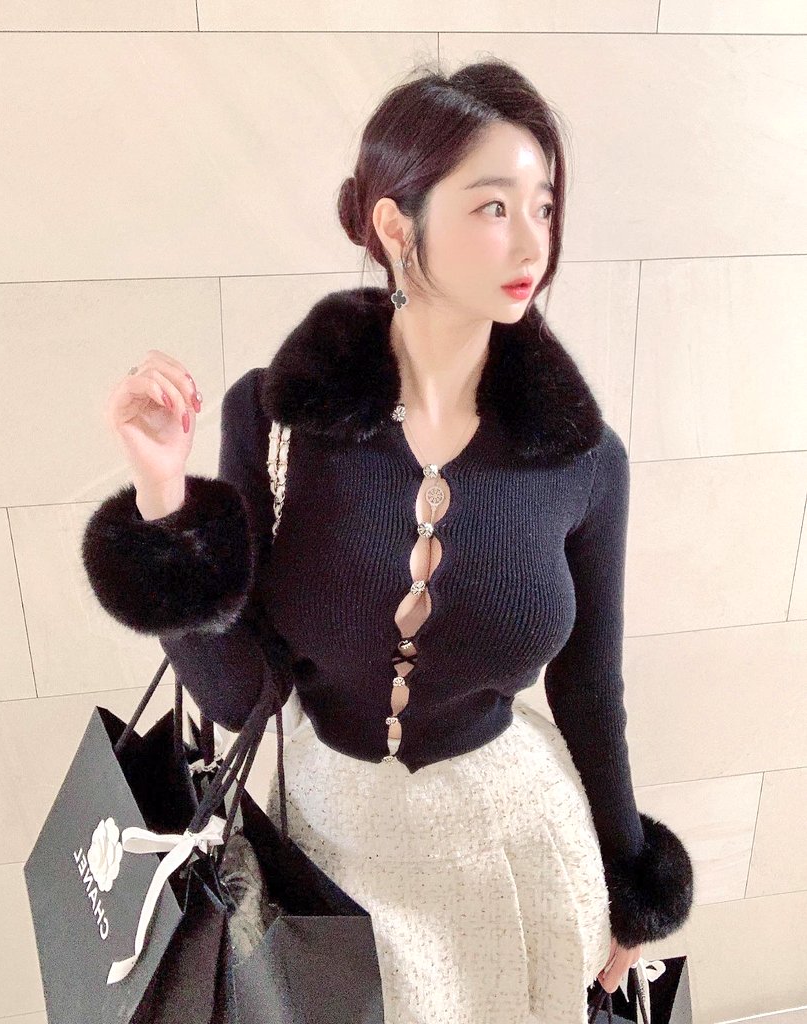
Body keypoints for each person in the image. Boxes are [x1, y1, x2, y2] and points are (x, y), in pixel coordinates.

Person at [81, 58, 694, 1024]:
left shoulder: (582, 462)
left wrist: (629, 883)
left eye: (543, 206)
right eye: (492, 207)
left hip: (512, 854)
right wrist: (165, 499)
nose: (531, 239)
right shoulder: (278, 423)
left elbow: (589, 692)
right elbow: (240, 696)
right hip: (331, 851)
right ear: (395, 225)